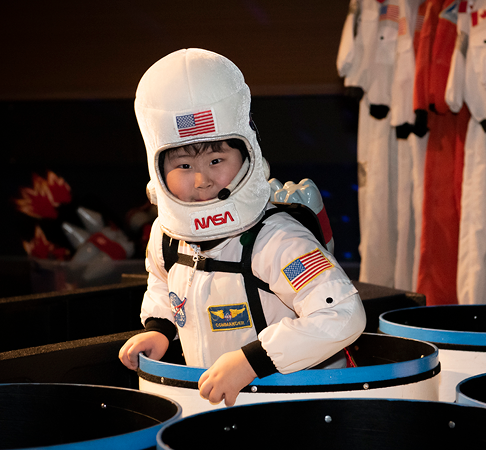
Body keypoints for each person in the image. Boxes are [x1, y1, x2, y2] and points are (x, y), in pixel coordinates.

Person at [118, 48, 366, 407]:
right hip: (215, 403)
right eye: (184, 165)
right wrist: (160, 328)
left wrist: (254, 360)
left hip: (294, 405)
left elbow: (341, 314)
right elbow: (163, 283)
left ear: (247, 152)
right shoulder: (167, 239)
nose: (202, 179)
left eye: (216, 159)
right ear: (157, 168)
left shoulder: (277, 241)